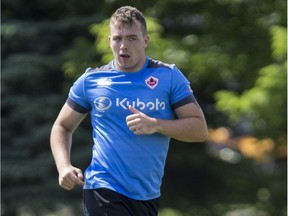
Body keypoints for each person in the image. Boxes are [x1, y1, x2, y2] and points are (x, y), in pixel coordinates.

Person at [50, 5, 208, 216]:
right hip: (103, 187)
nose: (123, 45)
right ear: (109, 41)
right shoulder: (92, 80)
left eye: (132, 38)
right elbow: (62, 126)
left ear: (145, 41)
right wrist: (63, 166)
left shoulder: (168, 77)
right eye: (118, 38)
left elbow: (199, 130)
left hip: (147, 196)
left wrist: (156, 125)